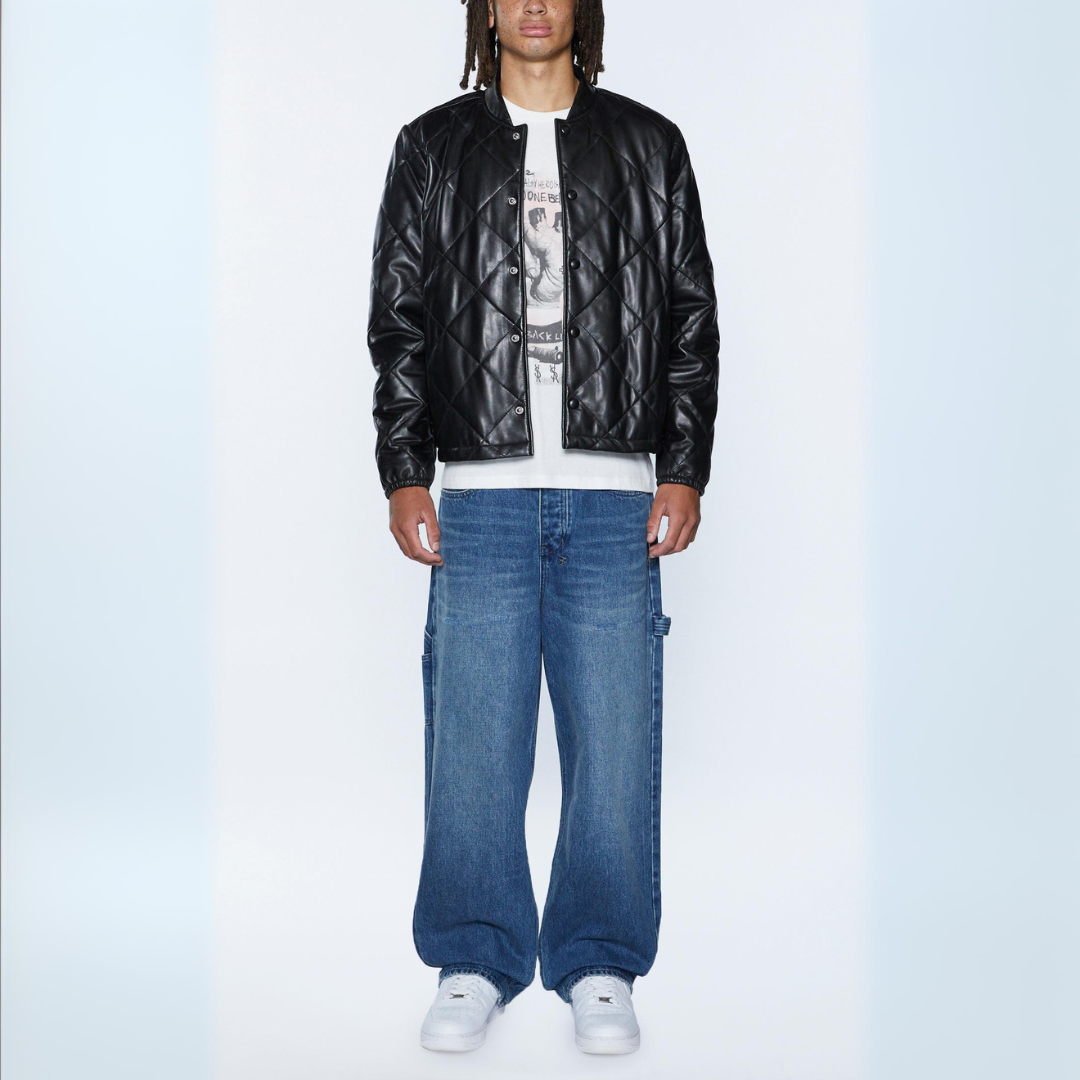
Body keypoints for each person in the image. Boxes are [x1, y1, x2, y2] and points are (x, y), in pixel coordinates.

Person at [367, 0, 720, 1056]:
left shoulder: (650, 146)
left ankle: (599, 961)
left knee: (614, 742)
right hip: (480, 493)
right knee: (475, 740)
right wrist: (405, 471)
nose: (533, 4)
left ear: (584, 8)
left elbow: (692, 319)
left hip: (615, 495)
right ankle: (474, 958)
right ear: (483, 10)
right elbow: (398, 324)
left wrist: (683, 466)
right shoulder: (432, 147)